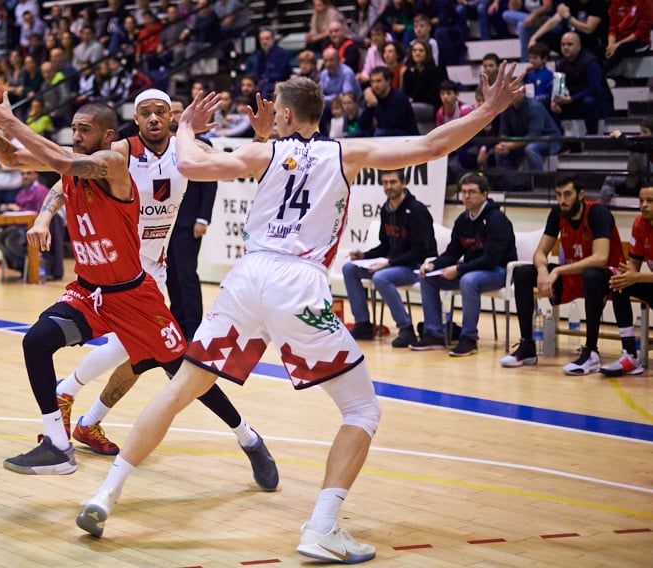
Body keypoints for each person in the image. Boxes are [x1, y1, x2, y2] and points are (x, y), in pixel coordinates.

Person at [75, 65, 523, 561]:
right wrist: (489, 108)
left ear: (285, 114)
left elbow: (193, 166)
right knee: (362, 410)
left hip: (247, 277)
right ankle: (323, 528)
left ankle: (105, 495)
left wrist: (185, 127)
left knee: (183, 386)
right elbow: (431, 146)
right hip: (298, 282)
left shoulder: (263, 151)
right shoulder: (346, 152)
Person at [0, 90, 277, 488]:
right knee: (39, 342)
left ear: (169, 119)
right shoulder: (117, 151)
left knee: (178, 370)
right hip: (92, 289)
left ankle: (248, 437)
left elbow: (240, 168)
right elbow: (20, 160)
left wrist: (260, 139)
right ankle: (61, 443)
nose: (76, 135)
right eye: (144, 112)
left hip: (139, 286)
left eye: (160, 112)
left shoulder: (138, 157)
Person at [501, 175, 632, 374]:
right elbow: (540, 253)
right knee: (523, 273)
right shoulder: (557, 213)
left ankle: (591, 352)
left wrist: (558, 270)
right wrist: (544, 271)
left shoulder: (598, 213)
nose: (562, 200)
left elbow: (600, 258)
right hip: (575, 275)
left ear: (580, 195)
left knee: (591, 274)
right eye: (559, 195)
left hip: (608, 279)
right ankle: (527, 346)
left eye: (567, 194)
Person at [410, 172, 516, 356]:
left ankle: (469, 338)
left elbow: (490, 259)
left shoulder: (497, 220)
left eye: (472, 192)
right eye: (464, 192)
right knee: (428, 278)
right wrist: (434, 265)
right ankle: (434, 334)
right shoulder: (462, 220)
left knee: (468, 280)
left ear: (484, 195)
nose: (466, 196)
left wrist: (458, 269)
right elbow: (453, 252)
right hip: (472, 270)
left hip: (499, 272)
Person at [343, 169, 437, 347]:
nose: (389, 187)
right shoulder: (386, 210)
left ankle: (406, 328)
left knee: (381, 277)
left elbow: (420, 251)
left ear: (403, 183)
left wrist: (388, 263)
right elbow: (385, 246)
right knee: (350, 268)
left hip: (416, 266)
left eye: (393, 182)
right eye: (385, 182)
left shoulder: (417, 211)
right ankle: (363, 324)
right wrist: (364, 256)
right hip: (394, 264)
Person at [166, 97, 218, 340]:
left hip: (189, 222)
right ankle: (177, 321)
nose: (174, 116)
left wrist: (203, 218)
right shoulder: (162, 145)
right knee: (170, 274)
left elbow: (209, 184)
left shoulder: (200, 143)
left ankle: (195, 326)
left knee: (187, 274)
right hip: (165, 222)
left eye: (178, 112)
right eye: (171, 113)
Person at [604, 184, 653, 376]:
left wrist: (636, 276)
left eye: (650, 201)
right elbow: (634, 265)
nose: (644, 205)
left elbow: (638, 274)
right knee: (620, 284)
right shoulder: (639, 224)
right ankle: (630, 354)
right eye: (641, 201)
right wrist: (626, 274)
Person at [0, 169, 65, 279]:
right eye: (22, 174)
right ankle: (23, 266)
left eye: (28, 173)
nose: (25, 176)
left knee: (10, 240)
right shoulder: (22, 191)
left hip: (32, 226)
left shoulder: (41, 191)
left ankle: (33, 267)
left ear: (36, 174)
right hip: (19, 225)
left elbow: (42, 213)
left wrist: (19, 209)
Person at [551, 31, 613, 135]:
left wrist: (571, 99)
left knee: (589, 101)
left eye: (569, 44)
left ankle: (592, 136)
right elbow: (558, 87)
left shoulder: (591, 62)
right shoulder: (561, 63)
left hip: (599, 102)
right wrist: (554, 101)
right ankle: (559, 139)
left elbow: (594, 89)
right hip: (575, 100)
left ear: (579, 46)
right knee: (550, 103)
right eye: (563, 44)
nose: (565, 47)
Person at [495, 81, 562, 171]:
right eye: (509, 92)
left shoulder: (534, 107)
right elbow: (504, 132)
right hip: (523, 140)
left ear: (523, 92)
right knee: (499, 150)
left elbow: (533, 136)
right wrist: (503, 145)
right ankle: (509, 182)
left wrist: (510, 145)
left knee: (531, 149)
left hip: (549, 139)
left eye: (515, 91)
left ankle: (538, 181)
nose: (511, 95)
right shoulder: (506, 108)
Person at [599, 117, 653, 204]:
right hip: (642, 177)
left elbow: (631, 146)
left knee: (635, 153)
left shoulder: (648, 145)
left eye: (645, 132)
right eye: (641, 131)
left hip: (648, 178)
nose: (641, 135)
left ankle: (630, 187)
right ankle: (601, 206)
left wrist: (619, 136)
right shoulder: (645, 145)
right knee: (610, 179)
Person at [359, 66, 420, 136]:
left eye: (379, 81)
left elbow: (388, 124)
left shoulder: (398, 98)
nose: (375, 85)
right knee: (357, 134)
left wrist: (375, 105)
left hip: (406, 135)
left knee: (379, 133)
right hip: (385, 133)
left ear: (388, 81)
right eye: (372, 82)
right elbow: (362, 126)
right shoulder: (373, 96)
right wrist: (369, 106)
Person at [604, 0, 653, 78]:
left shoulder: (646, 2)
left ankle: (600, 74)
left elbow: (641, 31)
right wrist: (611, 45)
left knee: (622, 49)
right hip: (618, 42)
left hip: (641, 42)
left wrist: (617, 44)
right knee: (599, 50)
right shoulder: (616, 2)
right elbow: (612, 27)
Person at [252, 28, 293, 100]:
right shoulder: (259, 54)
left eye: (267, 39)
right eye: (261, 39)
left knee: (266, 88)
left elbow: (282, 74)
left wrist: (265, 79)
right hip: (263, 82)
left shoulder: (281, 54)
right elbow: (256, 71)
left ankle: (265, 109)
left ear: (273, 39)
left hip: (277, 83)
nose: (264, 42)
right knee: (246, 86)